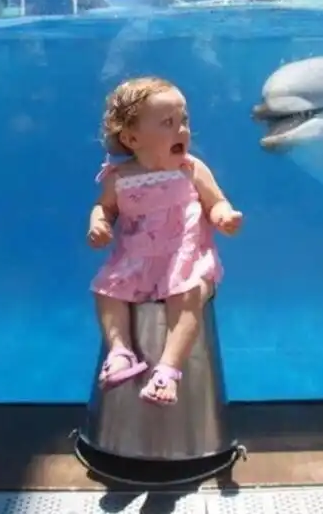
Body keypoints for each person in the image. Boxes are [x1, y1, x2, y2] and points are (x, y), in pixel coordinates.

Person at [88, 77, 242, 405]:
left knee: (187, 296)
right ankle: (120, 352)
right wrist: (99, 224)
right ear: (132, 138)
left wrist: (224, 217)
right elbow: (105, 207)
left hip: (185, 258)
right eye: (168, 123)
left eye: (184, 120)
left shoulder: (191, 169)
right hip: (135, 260)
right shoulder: (120, 178)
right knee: (105, 293)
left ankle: (168, 370)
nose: (182, 130)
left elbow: (215, 201)